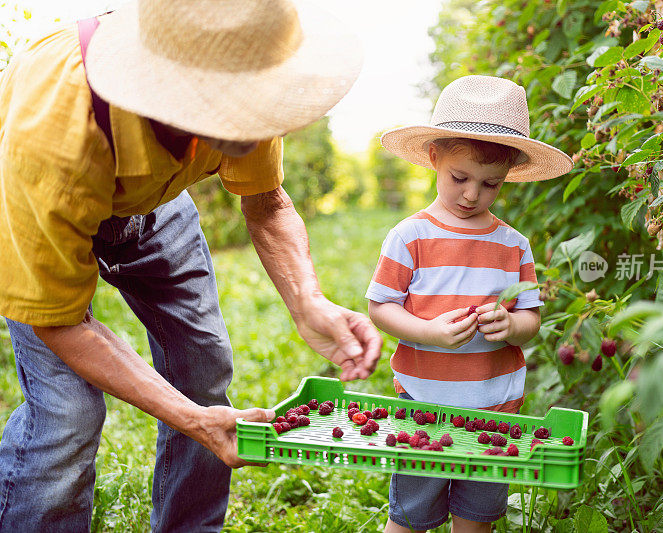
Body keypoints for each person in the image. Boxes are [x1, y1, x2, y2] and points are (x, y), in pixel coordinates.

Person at [0, 0, 381, 531]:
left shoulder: (240, 69)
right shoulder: (55, 135)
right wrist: (192, 421)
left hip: (155, 200)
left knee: (203, 365)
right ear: (166, 88)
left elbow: (266, 203)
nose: (256, 124)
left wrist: (307, 302)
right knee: (67, 415)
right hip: (42, 202)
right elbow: (62, 323)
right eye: (234, 107)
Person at [366, 75, 572, 533]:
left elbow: (531, 318)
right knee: (410, 518)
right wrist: (428, 331)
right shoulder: (410, 237)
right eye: (459, 178)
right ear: (434, 158)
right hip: (425, 406)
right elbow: (381, 307)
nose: (472, 194)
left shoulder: (514, 246)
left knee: (477, 519)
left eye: (490, 184)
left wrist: (510, 325)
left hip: (493, 411)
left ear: (508, 177)